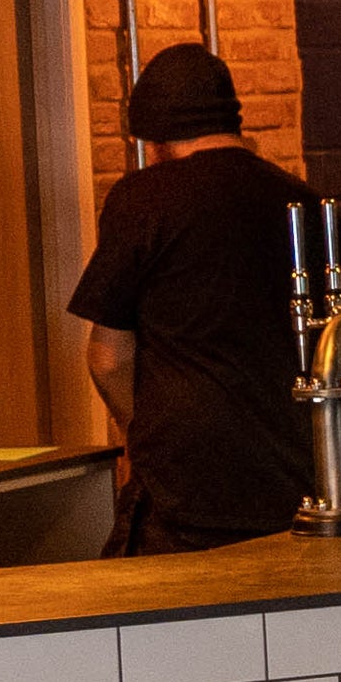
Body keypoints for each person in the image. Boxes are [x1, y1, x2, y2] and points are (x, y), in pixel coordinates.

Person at [65, 42, 317, 553]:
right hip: (290, 476)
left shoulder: (143, 200)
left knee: (153, 623)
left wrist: (139, 431)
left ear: (154, 141)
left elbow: (108, 357)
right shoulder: (302, 203)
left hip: (183, 486)